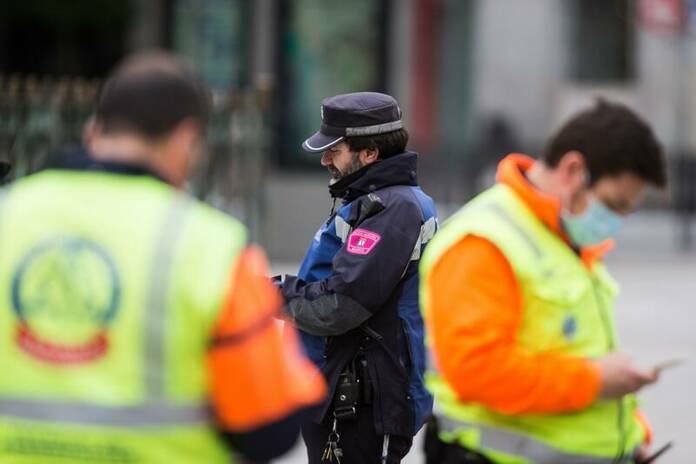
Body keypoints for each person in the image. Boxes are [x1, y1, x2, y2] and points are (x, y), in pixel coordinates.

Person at [0, 51, 325, 463]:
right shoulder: (212, 247)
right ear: (186, 139)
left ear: (93, 130)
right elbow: (269, 428)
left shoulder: (9, 213)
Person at [420, 99, 667, 464]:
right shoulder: (483, 241)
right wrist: (596, 381)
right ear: (573, 170)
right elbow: (477, 372)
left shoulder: (563, 236)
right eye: (614, 204)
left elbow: (575, 351)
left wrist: (627, 440)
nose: (616, 222)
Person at [278, 92, 437, 463]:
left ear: (370, 154)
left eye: (334, 150)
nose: (325, 160)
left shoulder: (394, 209)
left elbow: (341, 305)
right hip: (341, 396)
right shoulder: (371, 200)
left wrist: (273, 295)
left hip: (364, 407)